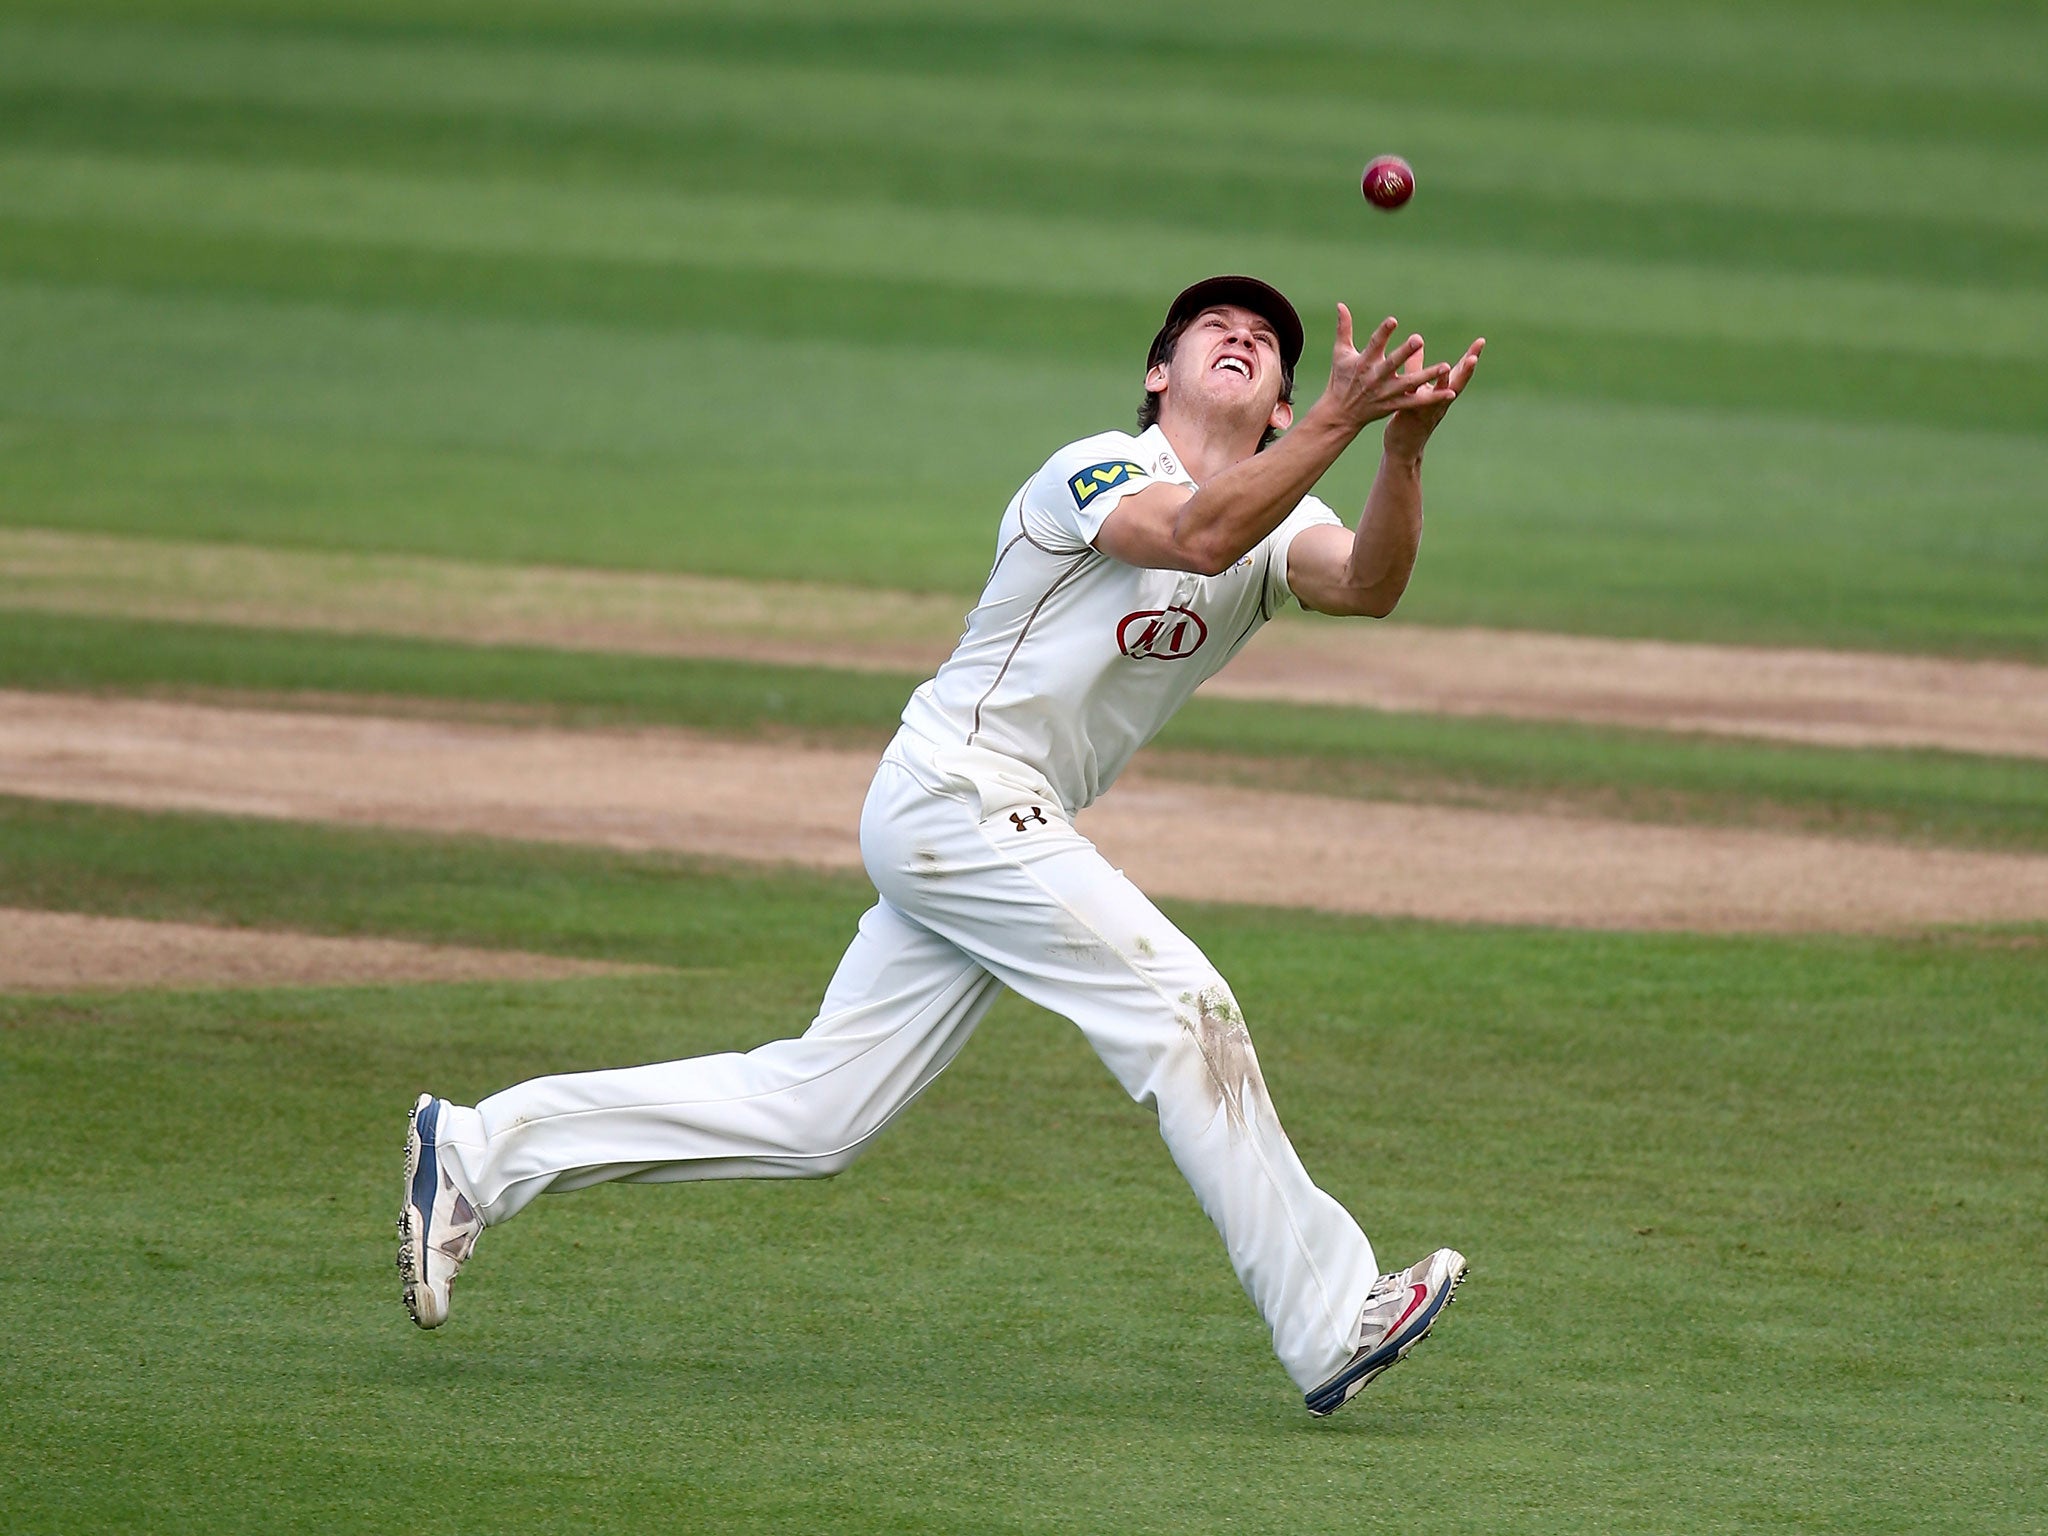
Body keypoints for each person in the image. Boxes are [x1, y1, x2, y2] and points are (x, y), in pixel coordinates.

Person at [399, 275, 1486, 1417]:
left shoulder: (1280, 519)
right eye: (1213, 326)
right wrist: (1333, 423)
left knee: (817, 1115)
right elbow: (1194, 537)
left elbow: (1366, 583)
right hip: (958, 793)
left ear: (1272, 409)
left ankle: (477, 1148)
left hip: (995, 823)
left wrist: (1399, 451)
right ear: (1157, 374)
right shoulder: (1095, 469)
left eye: (1267, 342)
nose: (1242, 335)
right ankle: (1330, 1315)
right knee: (1179, 1005)